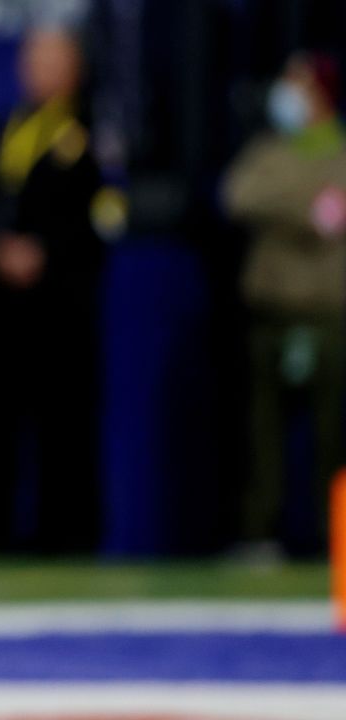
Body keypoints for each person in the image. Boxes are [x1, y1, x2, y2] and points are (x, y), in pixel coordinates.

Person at [0, 26, 107, 553]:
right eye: (33, 61)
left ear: (73, 69)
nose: (39, 73)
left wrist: (46, 251)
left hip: (62, 306)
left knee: (64, 421)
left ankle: (68, 536)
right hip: (4, 308)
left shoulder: (91, 131)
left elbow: (104, 213)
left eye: (52, 62)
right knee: (0, 419)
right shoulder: (5, 130)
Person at [222, 51, 346, 559]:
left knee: (331, 436)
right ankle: (259, 536)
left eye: (297, 85)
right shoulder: (269, 149)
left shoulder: (339, 150)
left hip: (329, 312)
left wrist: (292, 205)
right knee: (261, 436)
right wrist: (306, 206)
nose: (286, 95)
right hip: (271, 310)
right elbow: (238, 195)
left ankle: (333, 539)